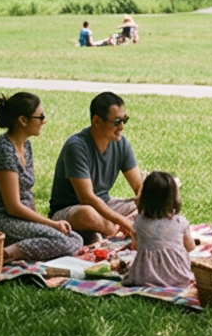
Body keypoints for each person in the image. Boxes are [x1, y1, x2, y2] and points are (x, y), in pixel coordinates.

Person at [0, 92, 87, 263]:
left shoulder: (25, 145)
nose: (44, 121)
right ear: (23, 120)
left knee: (75, 238)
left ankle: (17, 247)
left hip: (18, 218)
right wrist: (50, 224)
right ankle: (7, 254)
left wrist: (41, 225)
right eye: (40, 116)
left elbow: (26, 191)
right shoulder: (4, 152)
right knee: (60, 240)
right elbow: (13, 207)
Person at [48, 91, 145, 241]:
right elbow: (87, 198)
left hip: (104, 204)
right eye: (116, 122)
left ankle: (107, 231)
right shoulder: (76, 147)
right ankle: (114, 230)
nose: (122, 127)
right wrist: (124, 222)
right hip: (73, 210)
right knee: (88, 214)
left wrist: (147, 199)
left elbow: (139, 188)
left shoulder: (122, 144)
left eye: (124, 120)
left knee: (149, 208)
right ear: (97, 121)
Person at [118, 171, 192, 289]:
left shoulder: (139, 222)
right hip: (178, 276)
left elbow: (135, 247)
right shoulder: (180, 222)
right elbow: (190, 247)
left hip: (143, 277)